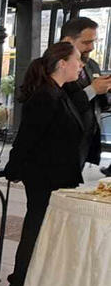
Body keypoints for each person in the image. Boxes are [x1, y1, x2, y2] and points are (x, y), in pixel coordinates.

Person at [1, 42, 85, 286]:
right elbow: (27, 139)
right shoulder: (45, 96)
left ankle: (31, 283)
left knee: (43, 229)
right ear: (62, 64)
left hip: (56, 175)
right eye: (78, 60)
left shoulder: (58, 91)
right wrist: (14, 169)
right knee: (35, 229)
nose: (81, 65)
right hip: (45, 177)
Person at [57, 17, 111, 175]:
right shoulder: (51, 66)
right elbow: (59, 105)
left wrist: (105, 90)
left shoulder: (92, 64)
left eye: (94, 41)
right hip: (61, 142)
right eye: (86, 42)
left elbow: (100, 102)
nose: (91, 47)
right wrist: (92, 90)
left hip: (84, 141)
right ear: (68, 40)